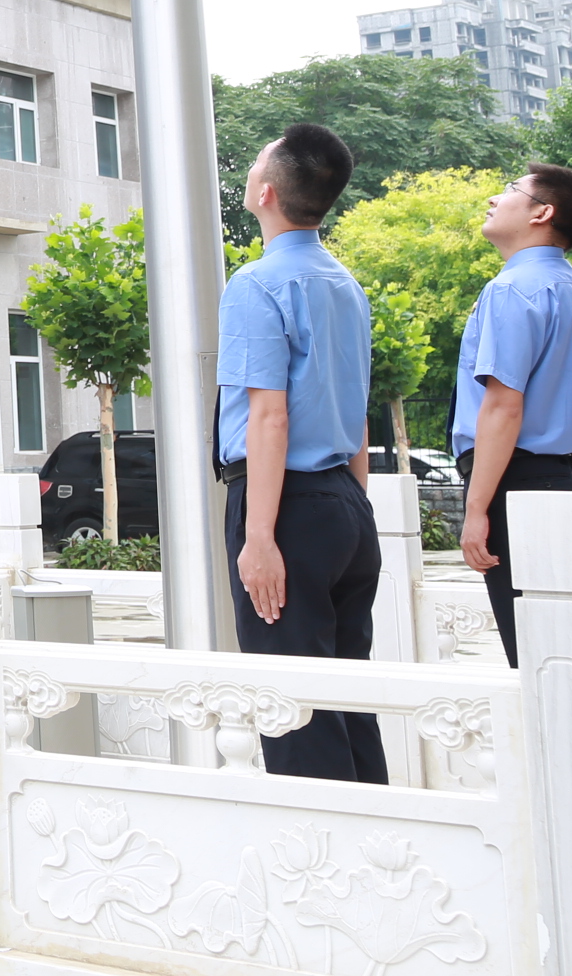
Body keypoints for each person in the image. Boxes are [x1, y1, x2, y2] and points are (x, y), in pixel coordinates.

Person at [218, 124, 386, 783]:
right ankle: (378, 857)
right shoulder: (346, 285)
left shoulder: (256, 284)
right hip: (344, 501)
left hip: (285, 503)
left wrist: (260, 536)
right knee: (349, 702)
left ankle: (324, 872)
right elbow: (357, 408)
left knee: (293, 710)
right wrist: (356, 510)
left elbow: (269, 414)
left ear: (266, 192)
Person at [456, 162, 572, 668]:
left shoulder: (512, 288)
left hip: (519, 485)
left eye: (510, 190)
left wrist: (476, 508)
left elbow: (504, 404)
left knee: (538, 665)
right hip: (571, 481)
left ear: (543, 212)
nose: (494, 198)